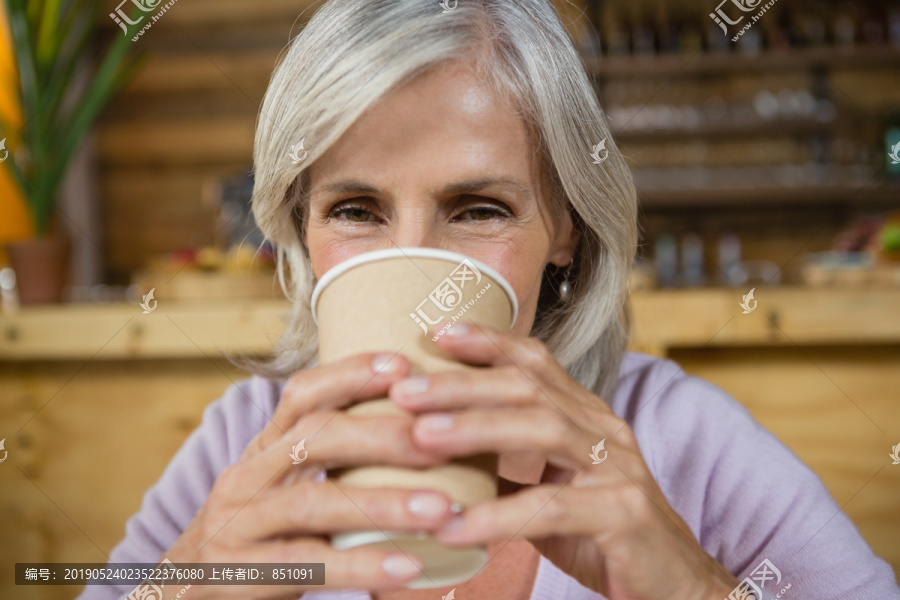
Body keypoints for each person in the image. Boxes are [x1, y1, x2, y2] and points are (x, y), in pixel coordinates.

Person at [78, 1, 900, 599]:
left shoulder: (683, 442)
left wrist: (695, 592)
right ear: (301, 233)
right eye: (355, 210)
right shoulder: (243, 443)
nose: (419, 261)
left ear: (566, 232)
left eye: (479, 209)